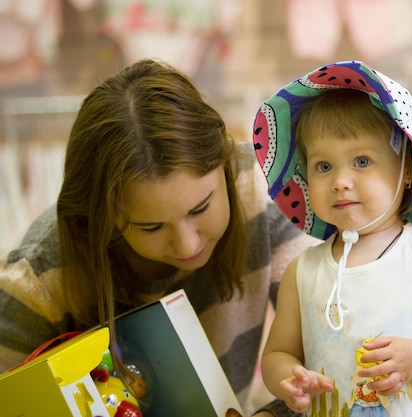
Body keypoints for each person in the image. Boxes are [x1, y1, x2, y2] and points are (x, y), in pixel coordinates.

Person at [0, 58, 318, 416]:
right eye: (150, 227)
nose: (188, 245)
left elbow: (332, 352)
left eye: (200, 209)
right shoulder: (37, 279)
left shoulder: (264, 189)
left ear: (225, 161)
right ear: (102, 219)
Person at [252, 60, 412, 415]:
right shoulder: (302, 271)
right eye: (323, 166)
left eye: (362, 161)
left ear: (408, 170)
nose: (340, 181)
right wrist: (288, 376)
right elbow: (278, 354)